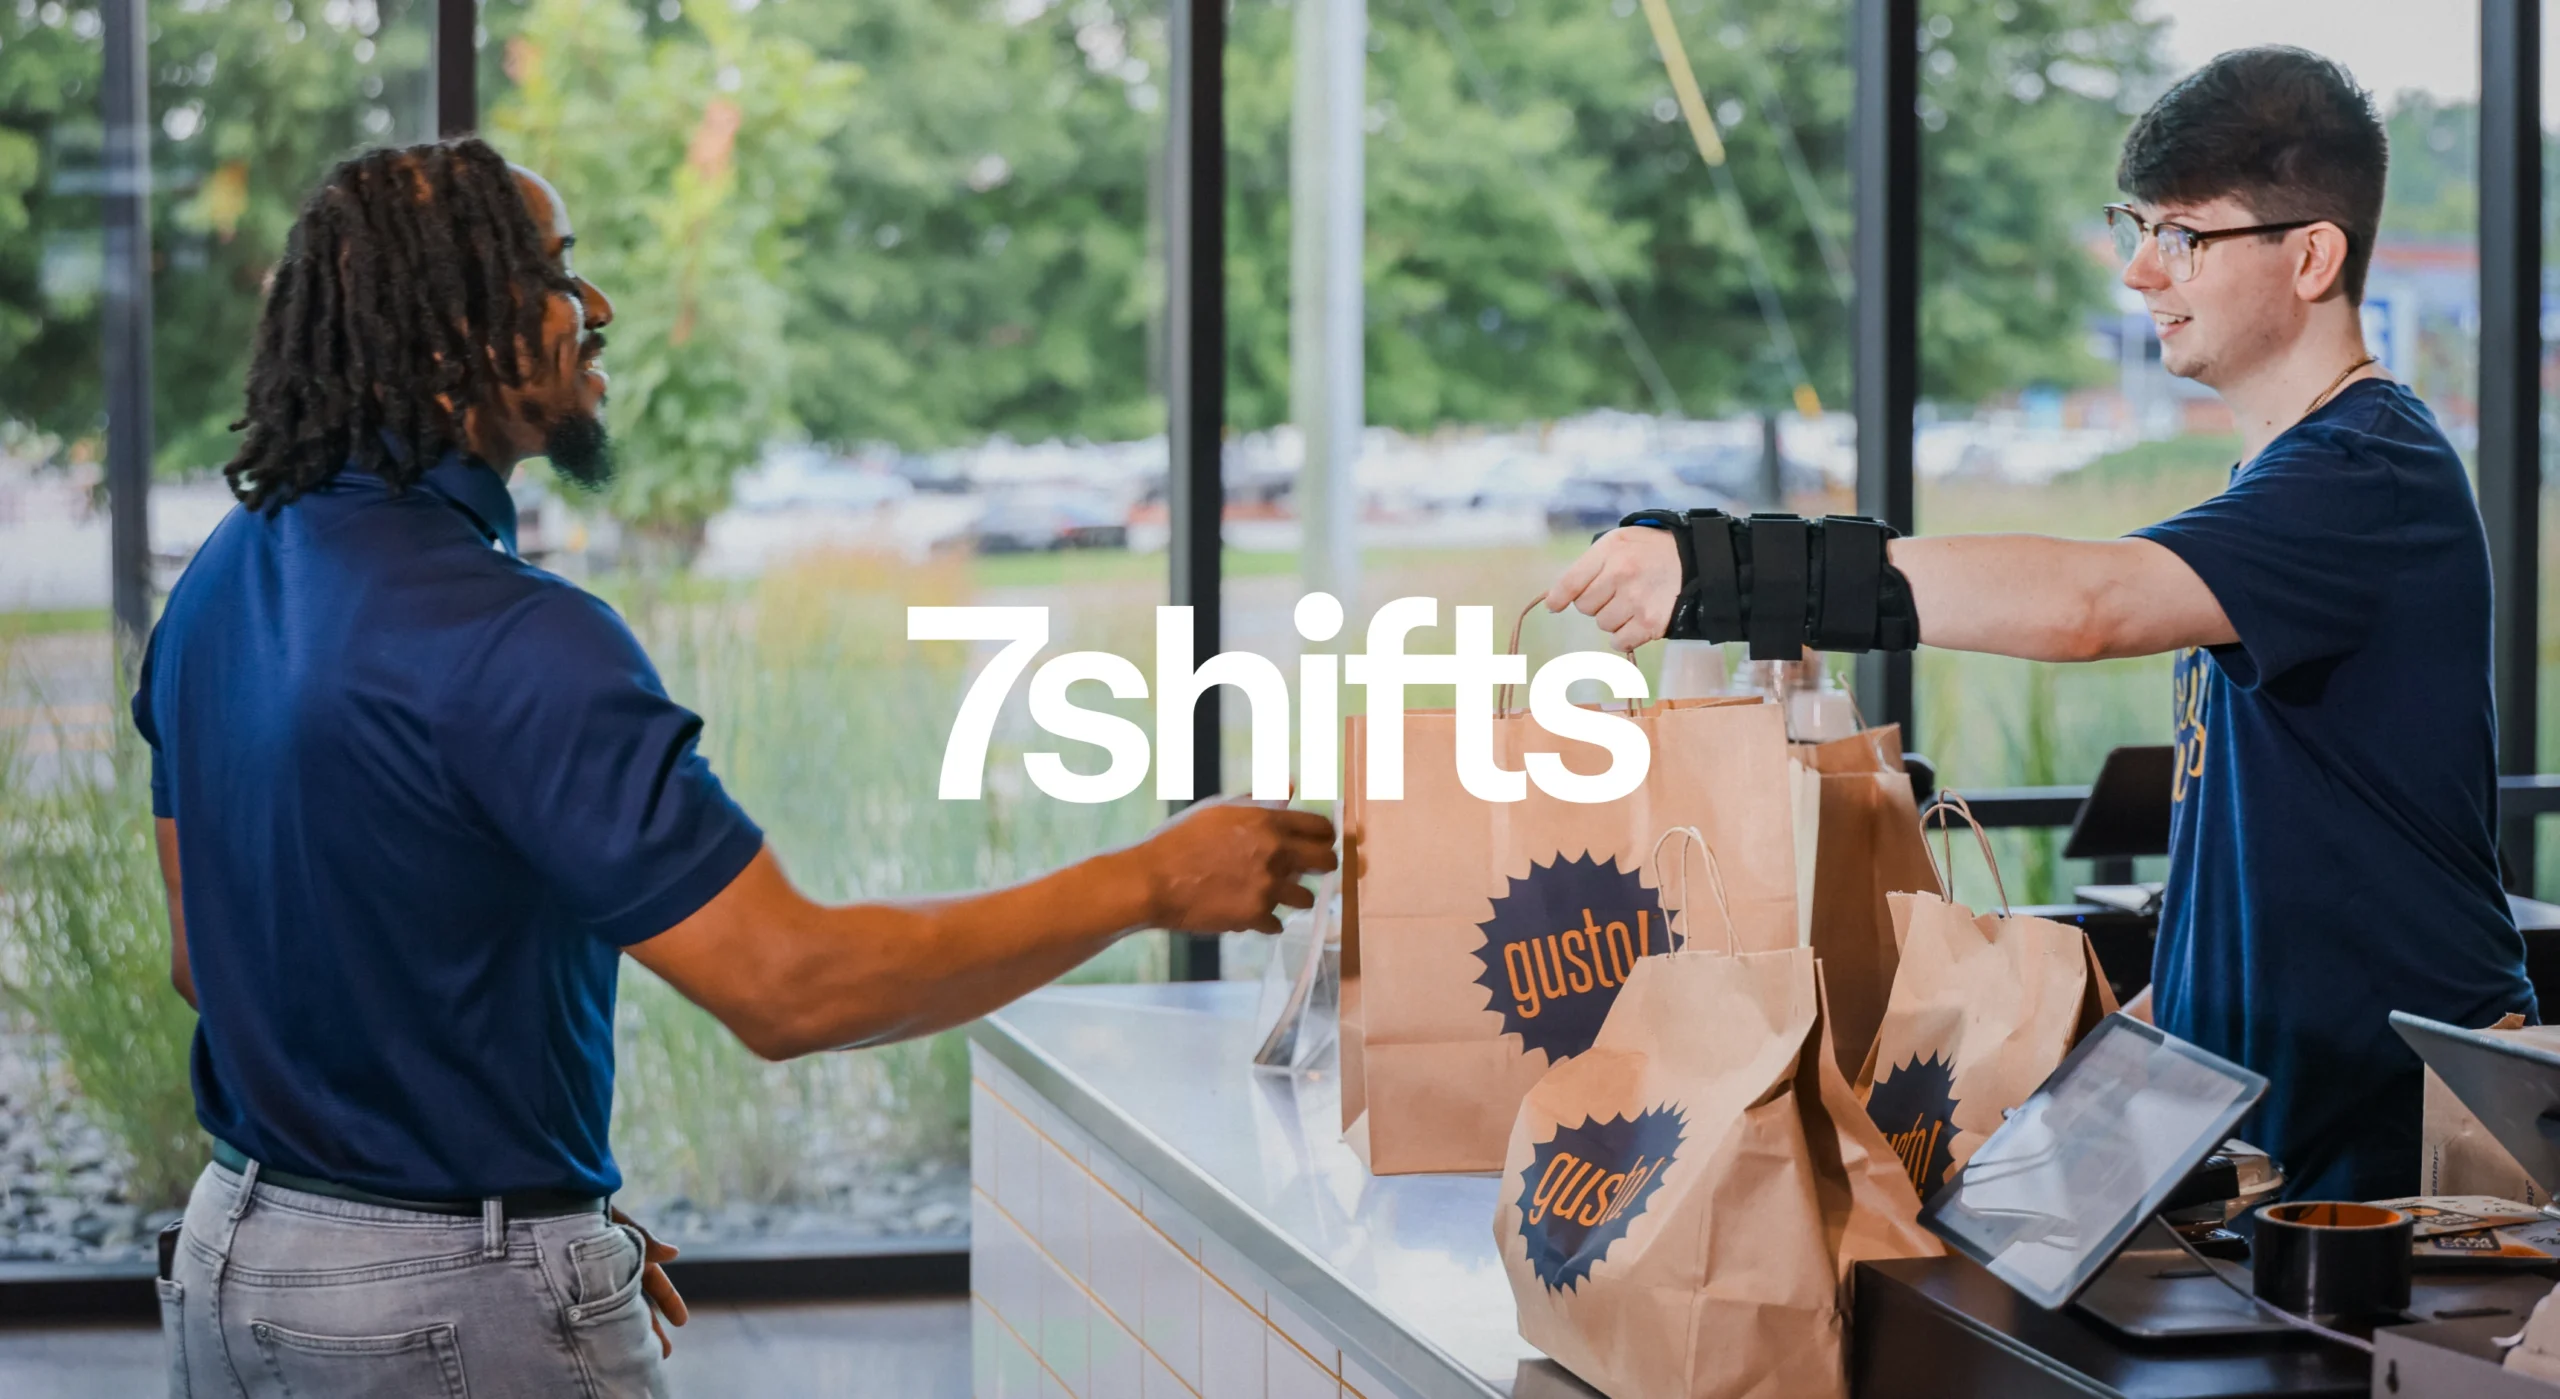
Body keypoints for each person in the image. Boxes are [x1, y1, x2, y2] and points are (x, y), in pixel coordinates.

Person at [135, 136, 1336, 1398]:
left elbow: (203, 959)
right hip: (436, 1305)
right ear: (444, 343)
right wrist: (1148, 880)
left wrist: (525, 1216)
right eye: (551, 275)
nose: (594, 310)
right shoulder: (513, 636)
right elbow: (791, 985)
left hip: (241, 1264)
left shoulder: (223, 576)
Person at [1545, 46, 2534, 1204]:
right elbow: (2273, 858)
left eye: (2182, 237)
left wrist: (1736, 574)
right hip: (2278, 1132)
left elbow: (2084, 603)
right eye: (2137, 227)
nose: (2137, 273)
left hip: (2400, 1155)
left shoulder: (2369, 472)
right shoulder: (2280, 480)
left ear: (2310, 254)